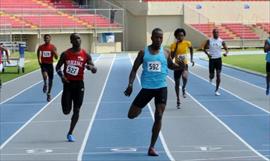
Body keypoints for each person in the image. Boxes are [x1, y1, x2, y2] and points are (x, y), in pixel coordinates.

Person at [124, 28, 184, 156]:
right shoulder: (143, 52)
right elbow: (134, 69)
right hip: (147, 88)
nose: (159, 40)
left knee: (159, 115)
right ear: (151, 38)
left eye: (161, 38)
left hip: (161, 88)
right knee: (131, 115)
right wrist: (130, 85)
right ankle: (140, 108)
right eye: (156, 37)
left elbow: (170, 66)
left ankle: (152, 147)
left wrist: (180, 66)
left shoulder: (166, 52)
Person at [55, 33, 97, 142]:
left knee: (77, 109)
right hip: (68, 84)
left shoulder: (85, 55)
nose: (78, 40)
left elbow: (94, 69)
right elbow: (58, 68)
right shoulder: (65, 54)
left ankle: (70, 133)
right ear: (71, 41)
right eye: (75, 38)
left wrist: (91, 67)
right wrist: (62, 77)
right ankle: (66, 106)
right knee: (66, 111)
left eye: (79, 38)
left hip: (79, 85)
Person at [170, 28, 194, 109]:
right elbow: (172, 56)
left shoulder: (187, 43)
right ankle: (178, 99)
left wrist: (191, 59)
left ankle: (183, 87)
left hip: (184, 65)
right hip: (177, 66)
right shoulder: (173, 45)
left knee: (185, 77)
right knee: (177, 84)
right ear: (176, 36)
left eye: (182, 36)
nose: (181, 37)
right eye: (179, 36)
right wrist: (176, 47)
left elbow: (191, 49)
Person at [203, 28, 229, 96]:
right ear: (213, 33)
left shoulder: (221, 41)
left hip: (218, 60)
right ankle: (211, 77)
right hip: (212, 60)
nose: (216, 33)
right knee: (212, 75)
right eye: (215, 32)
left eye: (217, 32)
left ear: (219, 33)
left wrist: (226, 53)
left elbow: (227, 49)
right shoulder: (209, 40)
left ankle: (216, 90)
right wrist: (208, 54)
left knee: (218, 75)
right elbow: (204, 48)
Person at [37, 34, 58, 102]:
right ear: (44, 39)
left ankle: (49, 93)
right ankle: (45, 84)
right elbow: (38, 52)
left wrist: (55, 53)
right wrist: (39, 60)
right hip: (44, 64)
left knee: (51, 81)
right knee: (45, 75)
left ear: (50, 39)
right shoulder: (41, 47)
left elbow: (56, 57)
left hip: (50, 65)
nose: (46, 39)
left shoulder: (53, 47)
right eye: (45, 38)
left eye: (48, 38)